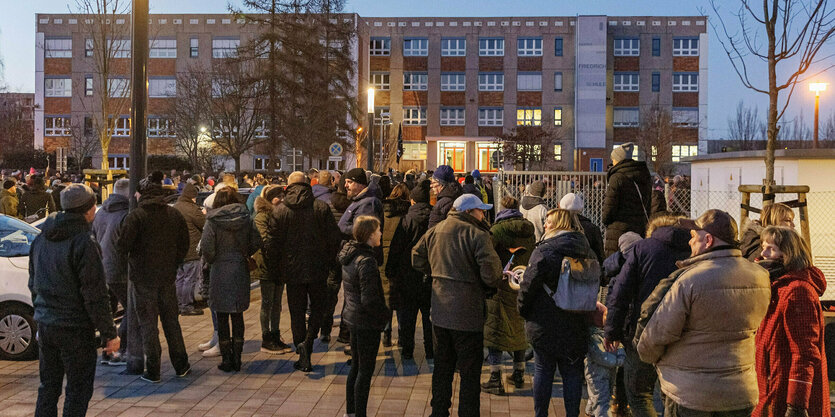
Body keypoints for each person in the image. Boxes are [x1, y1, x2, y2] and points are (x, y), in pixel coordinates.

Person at [637, 209, 770, 416]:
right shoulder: (761, 277)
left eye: (693, 237)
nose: (690, 243)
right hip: (741, 392)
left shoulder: (690, 280)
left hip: (690, 394)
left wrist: (655, 360)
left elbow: (655, 336)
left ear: (708, 240)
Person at [30, 184, 119, 417]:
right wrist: (109, 333)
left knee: (48, 386)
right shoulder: (84, 243)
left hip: (47, 324)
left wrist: (40, 314)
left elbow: (34, 283)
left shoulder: (41, 238)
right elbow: (95, 294)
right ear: (88, 210)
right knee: (78, 390)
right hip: (75, 328)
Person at [412, 194, 502, 417]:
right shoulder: (478, 235)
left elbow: (416, 256)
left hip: (441, 313)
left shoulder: (436, 229)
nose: (483, 214)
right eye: (480, 210)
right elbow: (492, 275)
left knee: (442, 368)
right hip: (468, 315)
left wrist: (434, 274)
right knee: (470, 373)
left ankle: (439, 411)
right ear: (469, 212)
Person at [603, 214, 691, 417]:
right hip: (683, 332)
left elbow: (621, 292)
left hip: (644, 329)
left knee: (639, 393)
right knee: (672, 395)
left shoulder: (644, 249)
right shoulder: (694, 250)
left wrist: (612, 331)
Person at [518, 208, 597, 417]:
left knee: (543, 371)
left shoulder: (544, 251)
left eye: (549, 222)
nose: (545, 225)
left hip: (545, 322)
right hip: (576, 320)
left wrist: (523, 310)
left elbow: (528, 285)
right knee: (572, 372)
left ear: (559, 225)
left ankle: (540, 414)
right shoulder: (586, 249)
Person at [116, 172, 191, 383]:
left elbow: (123, 246)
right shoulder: (173, 215)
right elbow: (184, 243)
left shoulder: (136, 217)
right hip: (167, 276)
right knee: (171, 322)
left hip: (143, 277)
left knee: (148, 325)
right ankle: (181, 365)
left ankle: (154, 370)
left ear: (141, 194)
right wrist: (174, 262)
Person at [265, 171, 340, 372]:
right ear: (307, 184)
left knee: (296, 311)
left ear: (288, 186)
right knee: (317, 308)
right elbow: (334, 239)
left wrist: (275, 270)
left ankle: (301, 346)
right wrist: (330, 262)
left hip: (291, 271)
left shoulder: (280, 210)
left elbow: (272, 244)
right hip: (317, 268)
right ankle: (308, 341)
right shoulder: (321, 207)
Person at [753, 226, 830, 417]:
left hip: (785, 396)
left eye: (770, 248)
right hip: (773, 387)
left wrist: (796, 405)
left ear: (788, 253)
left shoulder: (797, 291)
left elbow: (804, 353)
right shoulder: (777, 286)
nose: (763, 253)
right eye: (763, 247)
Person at [200, 187, 261, 372]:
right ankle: (237, 357)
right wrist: (244, 253)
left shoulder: (213, 221)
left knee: (221, 314)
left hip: (219, 269)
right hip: (240, 268)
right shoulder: (246, 219)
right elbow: (257, 241)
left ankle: (226, 359)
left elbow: (207, 248)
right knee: (237, 313)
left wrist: (213, 260)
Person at [482, 196, 535, 395]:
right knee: (518, 327)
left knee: (496, 328)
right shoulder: (528, 229)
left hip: (501, 283)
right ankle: (519, 373)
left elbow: (488, 255)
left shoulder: (496, 231)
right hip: (521, 283)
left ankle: (495, 377)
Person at [339, 216, 390, 417]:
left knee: (356, 367)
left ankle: (351, 412)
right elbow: (369, 299)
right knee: (364, 371)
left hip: (353, 317)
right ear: (369, 235)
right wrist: (384, 316)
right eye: (378, 231)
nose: (380, 234)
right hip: (365, 321)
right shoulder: (366, 261)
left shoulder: (350, 254)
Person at [386, 180, 433, 360]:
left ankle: (407, 350)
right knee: (429, 316)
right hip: (429, 275)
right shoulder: (435, 219)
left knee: (407, 316)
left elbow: (397, 247)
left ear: (412, 201)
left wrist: (391, 269)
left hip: (408, 274)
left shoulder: (406, 220)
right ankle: (430, 350)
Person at [91, 178, 131, 366]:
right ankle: (120, 349)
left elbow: (95, 237)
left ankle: (108, 351)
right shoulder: (126, 214)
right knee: (131, 309)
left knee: (109, 312)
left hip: (102, 268)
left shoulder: (101, 212)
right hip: (119, 270)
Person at [253, 185, 293, 354]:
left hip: (280, 264)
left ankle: (276, 335)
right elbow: (265, 240)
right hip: (267, 264)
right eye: (278, 196)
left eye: (283, 196)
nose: (281, 199)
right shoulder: (262, 216)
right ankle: (266, 338)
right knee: (267, 302)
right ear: (270, 199)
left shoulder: (282, 215)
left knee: (277, 303)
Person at [602, 142, 652, 256]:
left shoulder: (617, 177)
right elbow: (648, 203)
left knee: (615, 264)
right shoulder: (644, 175)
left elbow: (609, 207)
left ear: (619, 160)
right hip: (639, 227)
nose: (612, 162)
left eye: (613, 159)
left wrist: (606, 220)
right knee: (635, 261)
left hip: (618, 230)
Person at [379, 183, 411, 347]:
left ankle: (386, 333)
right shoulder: (407, 214)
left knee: (386, 295)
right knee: (402, 298)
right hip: (402, 258)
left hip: (384, 256)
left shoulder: (383, 212)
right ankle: (402, 336)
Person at [172, 183, 206, 316]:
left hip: (178, 249)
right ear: (192, 196)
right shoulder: (191, 209)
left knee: (180, 278)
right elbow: (204, 224)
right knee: (189, 279)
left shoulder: (176, 206)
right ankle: (186, 305)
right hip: (191, 249)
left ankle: (179, 304)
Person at [339, 167, 384, 241]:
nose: (345, 185)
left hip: (360, 251)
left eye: (350, 182)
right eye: (345, 182)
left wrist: (343, 227)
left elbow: (364, 230)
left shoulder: (368, 203)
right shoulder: (359, 200)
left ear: (361, 185)